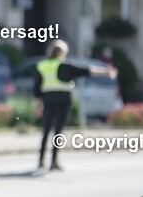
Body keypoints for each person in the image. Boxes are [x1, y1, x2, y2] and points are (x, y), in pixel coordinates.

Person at [35, 39, 117, 171]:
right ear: (63, 53)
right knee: (58, 132)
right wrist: (106, 72)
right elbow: (87, 71)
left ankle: (40, 160)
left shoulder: (43, 66)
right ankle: (54, 161)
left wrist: (38, 105)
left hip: (48, 99)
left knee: (46, 130)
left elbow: (36, 89)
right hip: (63, 99)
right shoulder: (66, 66)